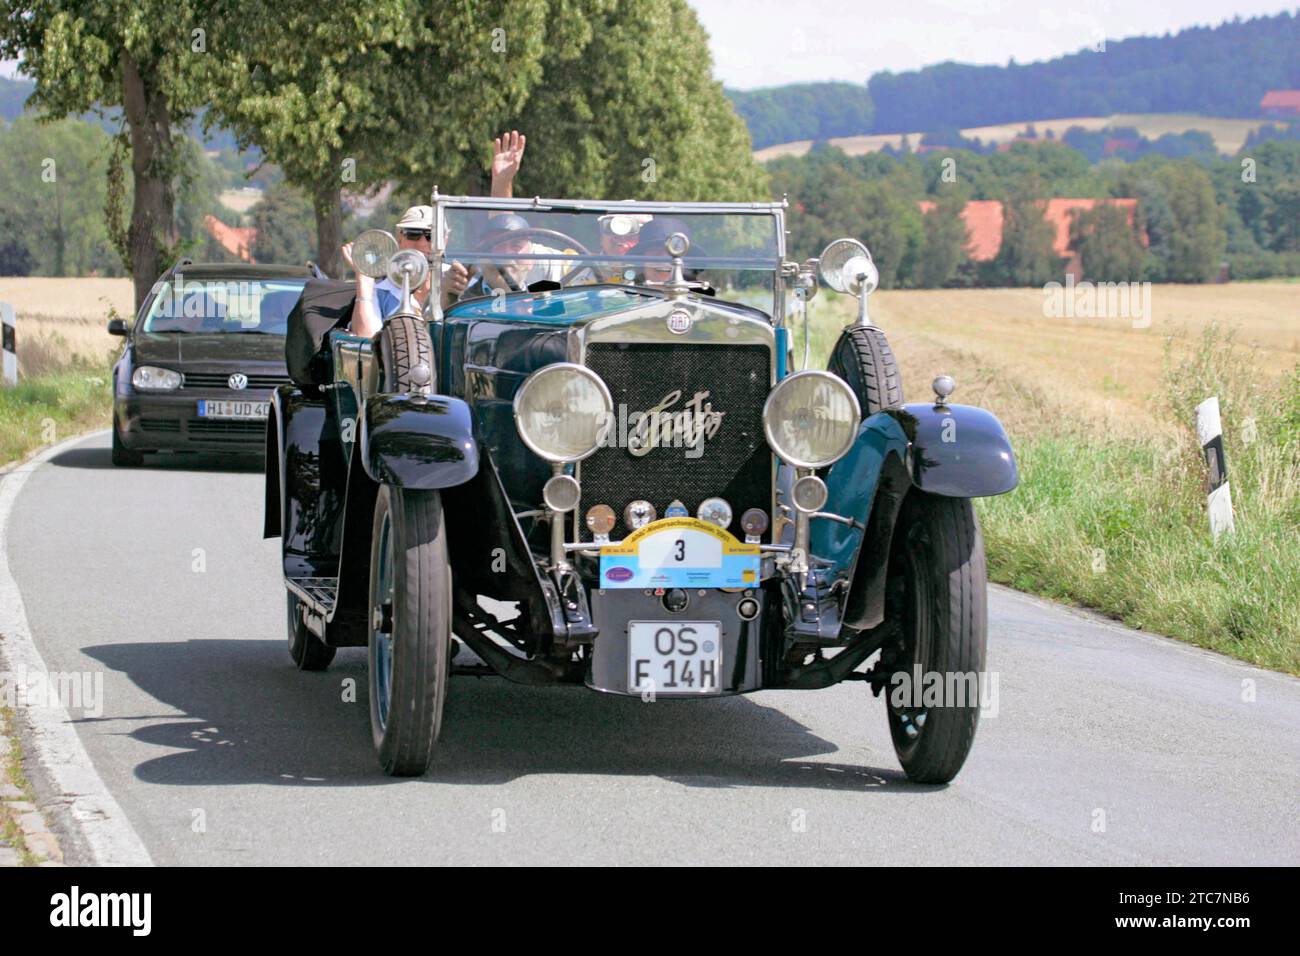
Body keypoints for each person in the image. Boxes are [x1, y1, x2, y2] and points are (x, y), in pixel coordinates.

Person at [344, 131, 527, 336]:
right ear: (399, 239)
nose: (422, 243)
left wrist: (502, 182)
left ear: (445, 240)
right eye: (414, 234)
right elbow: (366, 340)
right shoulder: (380, 291)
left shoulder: (462, 279)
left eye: (431, 236)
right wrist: (364, 279)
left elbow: (503, 244)